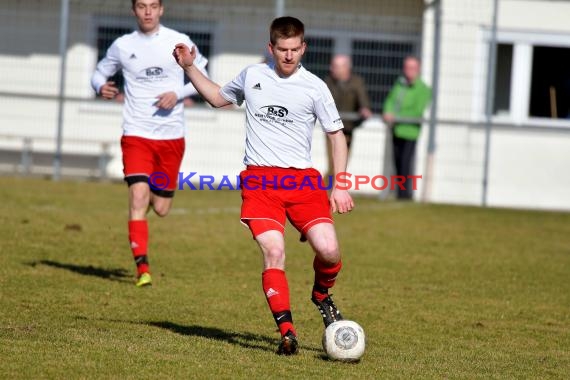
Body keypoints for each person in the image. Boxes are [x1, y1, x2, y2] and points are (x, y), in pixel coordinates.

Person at [173, 16, 354, 355]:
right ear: (271, 48)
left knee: (329, 251)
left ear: (304, 48)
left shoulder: (315, 86)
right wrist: (189, 66)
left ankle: (320, 295)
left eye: (294, 50)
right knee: (274, 252)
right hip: (260, 181)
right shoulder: (253, 75)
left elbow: (336, 135)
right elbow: (216, 97)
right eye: (282, 49)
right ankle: (287, 333)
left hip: (302, 183)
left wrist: (340, 184)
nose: (288, 56)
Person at [90, 0, 208, 287]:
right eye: (141, 6)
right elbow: (98, 74)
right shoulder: (122, 45)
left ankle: (146, 218)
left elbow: (202, 78)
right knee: (138, 197)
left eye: (153, 5)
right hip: (136, 133)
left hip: (171, 137)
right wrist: (99, 87)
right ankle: (143, 267)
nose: (147, 11)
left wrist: (177, 94)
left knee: (162, 207)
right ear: (134, 10)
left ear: (161, 9)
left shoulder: (179, 41)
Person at [382, 56, 431, 200]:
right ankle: (400, 193)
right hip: (396, 129)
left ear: (418, 69)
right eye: (406, 67)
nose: (408, 71)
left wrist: (395, 115)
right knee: (396, 162)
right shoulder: (399, 85)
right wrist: (388, 111)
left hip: (410, 132)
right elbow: (390, 100)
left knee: (405, 163)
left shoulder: (423, 89)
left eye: (412, 68)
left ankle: (405, 195)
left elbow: (417, 110)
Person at [324, 54, 372, 175]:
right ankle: (327, 191)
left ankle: (335, 190)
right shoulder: (328, 82)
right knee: (333, 163)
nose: (333, 69)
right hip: (332, 130)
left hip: (348, 129)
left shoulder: (357, 82)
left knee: (342, 165)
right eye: (333, 66)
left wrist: (364, 108)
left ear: (346, 68)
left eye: (338, 66)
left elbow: (363, 100)